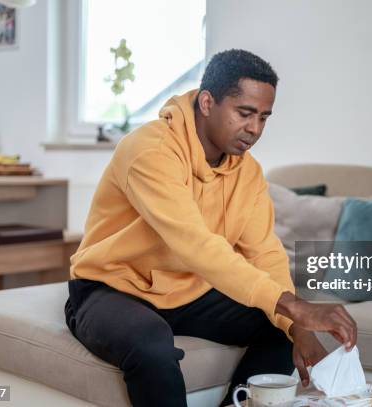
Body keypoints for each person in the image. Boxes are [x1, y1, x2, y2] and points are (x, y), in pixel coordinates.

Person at [64, 49, 357, 407]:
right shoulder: (150, 150)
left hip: (185, 290)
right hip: (110, 288)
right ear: (207, 102)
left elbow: (264, 252)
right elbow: (195, 244)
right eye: (245, 113)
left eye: (264, 117)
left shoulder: (247, 173)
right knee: (151, 344)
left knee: (279, 327)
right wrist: (294, 306)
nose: (255, 129)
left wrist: (297, 325)